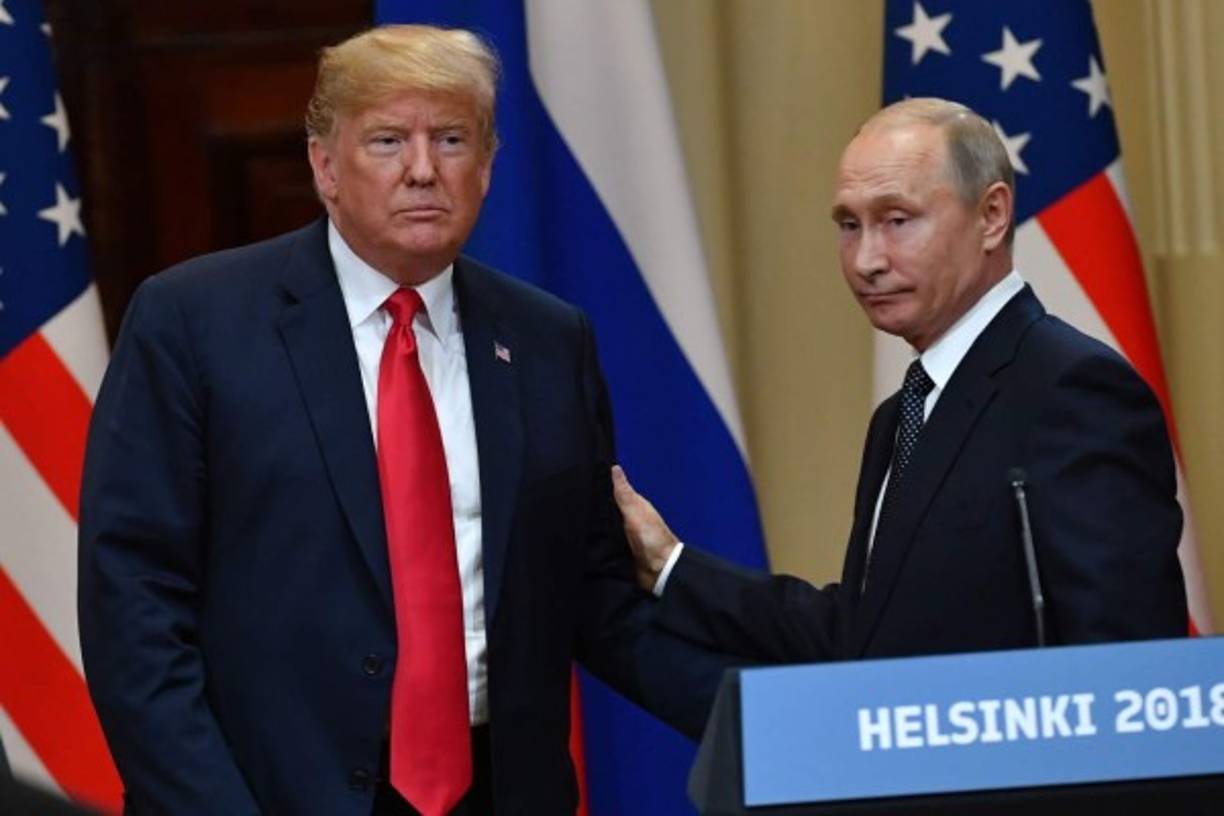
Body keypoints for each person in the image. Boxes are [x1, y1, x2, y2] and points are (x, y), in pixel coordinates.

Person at [79, 25, 729, 816]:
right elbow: (135, 611)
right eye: (388, 140)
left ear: (487, 166)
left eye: (451, 139)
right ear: (325, 166)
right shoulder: (193, 324)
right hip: (269, 796)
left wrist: (767, 724)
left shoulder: (548, 340)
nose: (424, 170)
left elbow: (593, 596)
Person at [614, 97, 1187, 665]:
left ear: (991, 216)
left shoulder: (1074, 390)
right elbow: (864, 637)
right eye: (848, 224)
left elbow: (1128, 670)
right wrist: (671, 565)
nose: (866, 260)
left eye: (896, 220)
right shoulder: (903, 414)